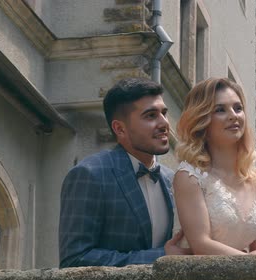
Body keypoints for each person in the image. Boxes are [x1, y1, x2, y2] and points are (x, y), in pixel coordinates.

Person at [59, 78, 190, 267]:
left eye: (164, 113)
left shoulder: (173, 179)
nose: (164, 124)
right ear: (120, 129)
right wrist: (161, 257)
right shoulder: (89, 174)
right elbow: (75, 259)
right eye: (151, 115)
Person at [172, 78, 256, 255]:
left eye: (238, 108)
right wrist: (250, 263)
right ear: (201, 120)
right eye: (220, 110)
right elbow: (202, 245)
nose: (233, 115)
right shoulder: (190, 177)